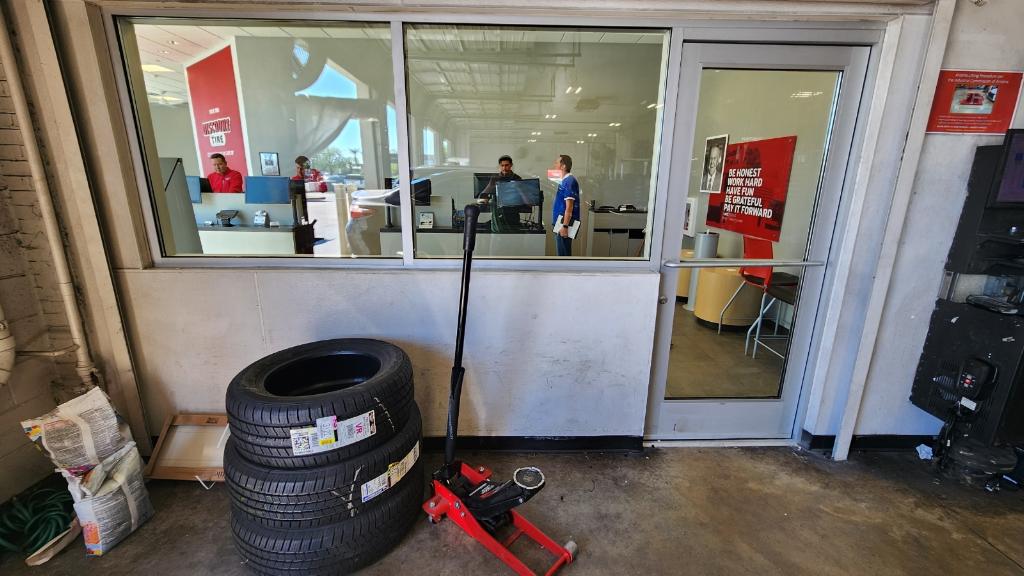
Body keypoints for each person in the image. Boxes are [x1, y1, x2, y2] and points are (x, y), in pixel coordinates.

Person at [480, 155, 524, 230]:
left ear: (511, 165)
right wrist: (489, 187)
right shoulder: (495, 178)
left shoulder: (517, 178)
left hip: (512, 213)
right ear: (500, 166)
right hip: (497, 214)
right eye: (502, 165)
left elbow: (522, 196)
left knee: (514, 237)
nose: (504, 168)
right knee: (496, 239)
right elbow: (484, 194)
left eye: (506, 165)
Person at [552, 154, 580, 257]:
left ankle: (565, 273)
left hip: (563, 224)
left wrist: (565, 226)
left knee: (564, 255)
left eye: (557, 163)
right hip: (560, 222)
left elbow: (569, 207)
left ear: (563, 166)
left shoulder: (569, 181)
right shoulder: (564, 181)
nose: (555, 165)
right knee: (561, 254)